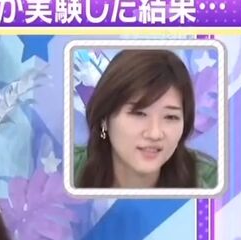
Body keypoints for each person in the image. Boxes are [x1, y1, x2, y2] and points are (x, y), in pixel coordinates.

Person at [74, 48, 218, 190]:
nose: (155, 134)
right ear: (105, 118)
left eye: (170, 117)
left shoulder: (211, 182)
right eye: (139, 114)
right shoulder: (68, 170)